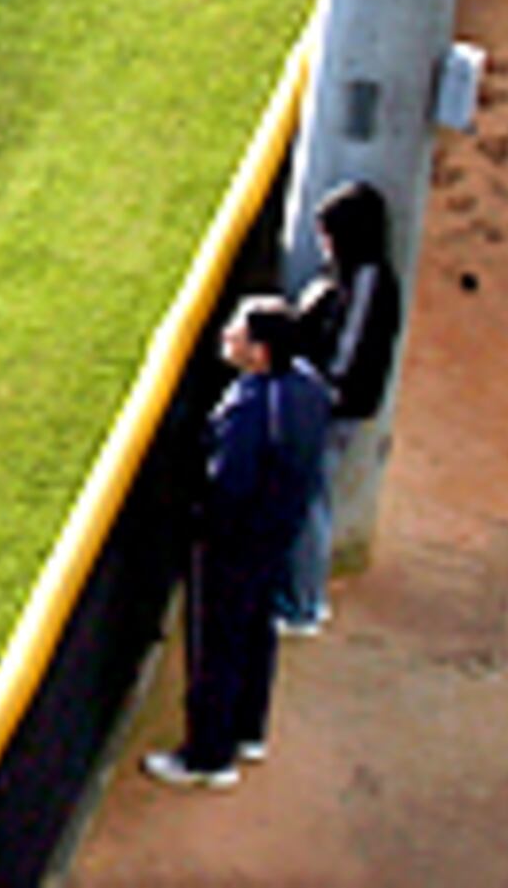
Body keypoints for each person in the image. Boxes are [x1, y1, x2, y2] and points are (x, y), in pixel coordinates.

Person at [146, 295, 332, 790]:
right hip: (277, 537)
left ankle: (208, 757)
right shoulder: (309, 386)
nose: (228, 336)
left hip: (234, 544)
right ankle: (248, 731)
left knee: (217, 647)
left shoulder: (253, 405)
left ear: (261, 351)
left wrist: (202, 524)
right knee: (255, 633)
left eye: (238, 333)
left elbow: (228, 483)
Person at [280, 179, 404, 636]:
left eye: (329, 234)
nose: (324, 245)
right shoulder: (349, 275)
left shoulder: (368, 281)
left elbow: (350, 356)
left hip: (334, 411)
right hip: (327, 404)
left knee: (310, 503)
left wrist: (319, 396)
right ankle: (299, 597)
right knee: (305, 499)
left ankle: (305, 603)